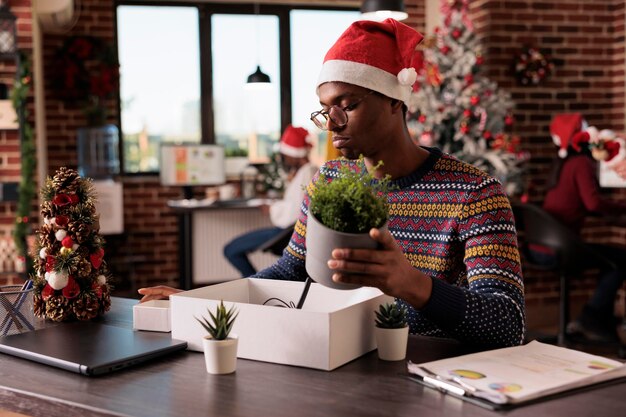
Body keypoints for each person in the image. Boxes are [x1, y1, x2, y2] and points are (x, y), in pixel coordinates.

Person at [140, 19, 525, 348]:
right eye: (325, 110)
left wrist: (411, 284)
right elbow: (291, 269)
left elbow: (507, 324)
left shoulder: (475, 194)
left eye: (349, 104)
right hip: (339, 356)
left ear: (395, 101)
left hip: (429, 372)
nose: (333, 122)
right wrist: (205, 301)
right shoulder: (329, 180)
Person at [538, 113, 626, 343]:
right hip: (562, 248)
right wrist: (621, 206)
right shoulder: (580, 163)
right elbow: (593, 203)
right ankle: (592, 317)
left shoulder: (562, 163)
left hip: (540, 246)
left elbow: (584, 206)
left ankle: (599, 321)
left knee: (612, 257)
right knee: (620, 259)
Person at [223, 125, 317, 276]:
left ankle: (255, 283)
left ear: (294, 154)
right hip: (286, 231)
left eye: (286, 155)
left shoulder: (307, 173)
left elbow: (298, 211)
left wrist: (271, 209)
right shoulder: (306, 171)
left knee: (231, 250)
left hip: (285, 233)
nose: (284, 158)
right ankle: (256, 282)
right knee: (232, 249)